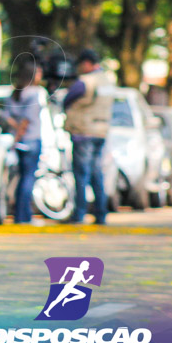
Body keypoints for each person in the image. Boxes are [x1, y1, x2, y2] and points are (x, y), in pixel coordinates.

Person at [62, 48, 112, 225]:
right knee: (97, 174)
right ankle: (101, 213)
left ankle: (79, 213)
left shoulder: (86, 81)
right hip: (101, 131)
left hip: (84, 132)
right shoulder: (107, 81)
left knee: (81, 175)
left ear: (86, 63)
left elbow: (67, 100)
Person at [4, 57, 44, 225]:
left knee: (22, 178)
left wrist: (15, 133)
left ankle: (21, 214)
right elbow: (26, 121)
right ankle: (24, 216)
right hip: (31, 140)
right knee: (28, 178)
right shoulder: (33, 94)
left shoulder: (14, 93)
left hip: (20, 142)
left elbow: (6, 116)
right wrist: (19, 135)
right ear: (33, 75)